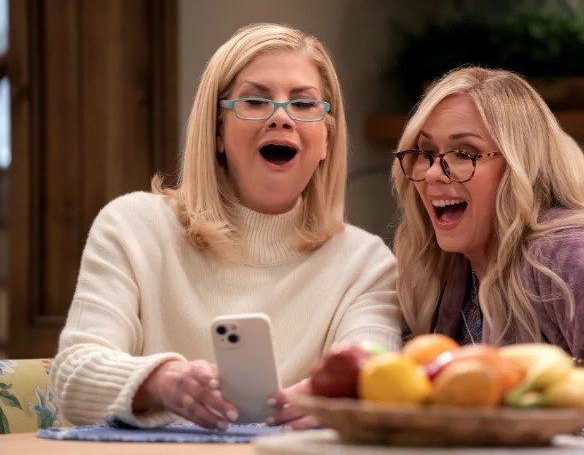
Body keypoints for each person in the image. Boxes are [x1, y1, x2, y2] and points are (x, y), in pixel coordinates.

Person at [51, 22, 402, 431]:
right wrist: (163, 382)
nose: (281, 118)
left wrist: (344, 399)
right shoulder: (132, 227)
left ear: (327, 140)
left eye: (304, 104)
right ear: (218, 131)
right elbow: (73, 377)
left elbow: (373, 379)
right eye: (255, 100)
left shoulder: (366, 264)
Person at [390, 66, 584, 434]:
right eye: (426, 152)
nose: (434, 173)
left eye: (465, 153)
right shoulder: (447, 265)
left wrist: (506, 397)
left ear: (521, 165)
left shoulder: (563, 250)